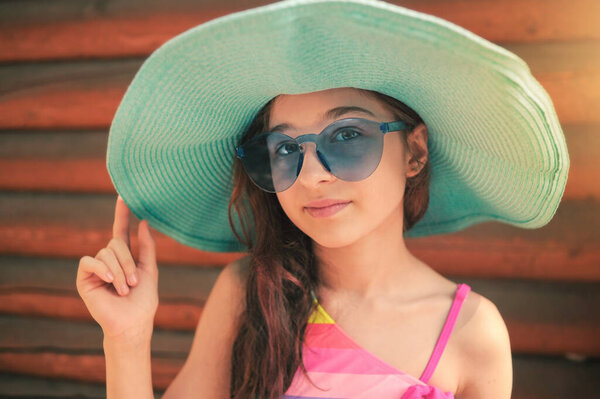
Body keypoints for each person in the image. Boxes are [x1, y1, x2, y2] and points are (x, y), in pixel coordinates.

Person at [76, 0, 570, 398]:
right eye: (286, 148)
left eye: (348, 136)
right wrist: (126, 338)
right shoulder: (248, 293)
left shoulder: (471, 332)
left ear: (414, 151)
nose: (312, 175)